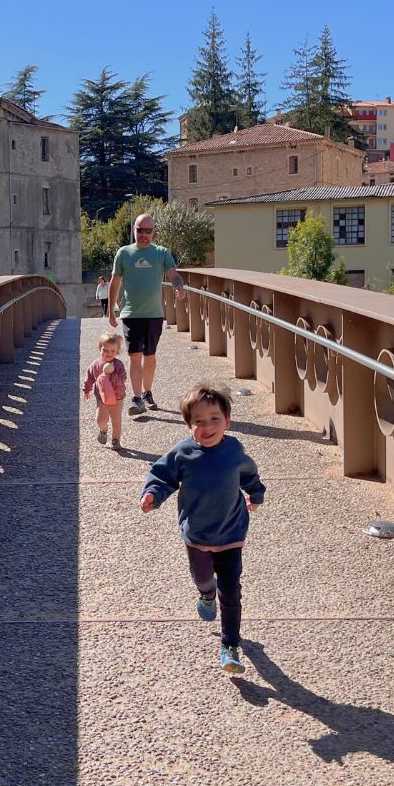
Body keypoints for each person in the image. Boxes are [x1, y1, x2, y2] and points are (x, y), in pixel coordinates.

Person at [141, 383, 265, 675]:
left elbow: (249, 474)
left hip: (231, 534)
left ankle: (230, 646)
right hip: (197, 535)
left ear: (227, 421)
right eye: (198, 421)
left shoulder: (234, 450)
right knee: (202, 578)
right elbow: (163, 475)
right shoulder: (183, 453)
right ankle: (206, 594)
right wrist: (152, 495)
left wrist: (256, 495)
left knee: (232, 592)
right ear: (188, 425)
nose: (207, 427)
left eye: (214, 419)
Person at [108, 212, 184, 416]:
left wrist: (179, 287)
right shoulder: (124, 253)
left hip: (154, 314)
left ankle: (147, 392)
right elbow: (115, 282)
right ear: (134, 230)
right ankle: (136, 398)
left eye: (147, 231)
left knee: (149, 356)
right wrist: (111, 311)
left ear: (153, 232)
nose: (143, 234)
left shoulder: (161, 253)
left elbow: (173, 275)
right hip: (131, 314)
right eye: (139, 230)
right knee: (135, 356)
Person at [81, 332, 127, 449]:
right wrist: (87, 389)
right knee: (101, 420)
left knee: (116, 421)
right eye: (105, 350)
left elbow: (122, 379)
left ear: (117, 351)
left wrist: (111, 374)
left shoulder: (118, 365)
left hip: (117, 398)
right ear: (100, 348)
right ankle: (103, 429)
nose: (109, 354)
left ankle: (116, 440)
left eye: (112, 351)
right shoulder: (96, 364)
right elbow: (89, 377)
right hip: (102, 399)